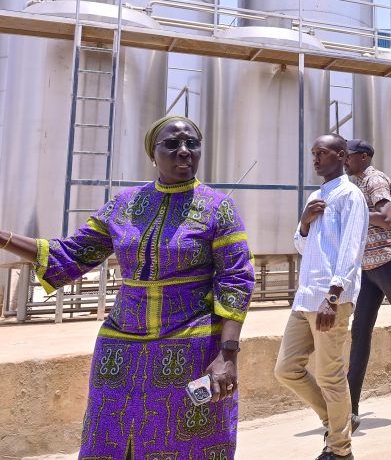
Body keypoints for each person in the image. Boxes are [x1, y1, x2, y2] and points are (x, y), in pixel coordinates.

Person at [0, 115, 254, 457]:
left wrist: (228, 354)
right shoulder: (124, 204)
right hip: (120, 352)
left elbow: (235, 280)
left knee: (188, 443)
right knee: (111, 440)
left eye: (192, 144)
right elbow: (71, 255)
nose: (184, 151)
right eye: (172, 144)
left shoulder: (218, 208)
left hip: (190, 348)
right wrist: (4, 238)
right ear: (153, 153)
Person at [274, 134, 369, 460]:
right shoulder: (315, 197)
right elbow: (305, 247)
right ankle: (337, 421)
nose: (315, 158)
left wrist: (333, 296)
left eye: (322, 153)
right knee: (286, 369)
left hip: (331, 299)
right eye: (313, 153)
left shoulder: (350, 196)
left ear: (341, 156)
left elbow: (351, 249)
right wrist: (303, 224)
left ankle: (339, 450)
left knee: (330, 377)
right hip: (305, 298)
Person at [343, 138, 391, 431]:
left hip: (390, 261)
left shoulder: (375, 180)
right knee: (359, 335)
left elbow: (384, 218)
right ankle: (350, 409)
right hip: (367, 268)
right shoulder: (353, 185)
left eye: (346, 156)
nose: (343, 160)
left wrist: (351, 215)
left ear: (363, 156)